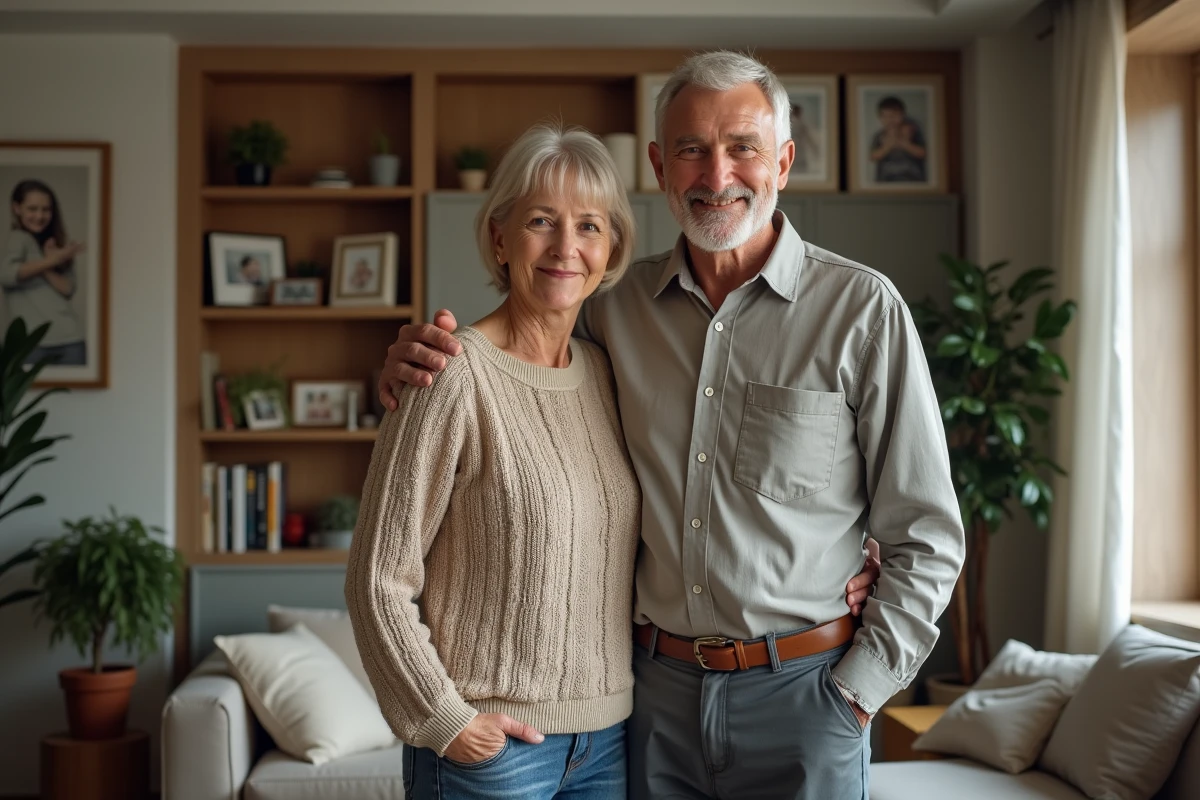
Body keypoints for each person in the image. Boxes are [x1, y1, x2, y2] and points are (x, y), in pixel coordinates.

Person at [379, 50, 963, 800]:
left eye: (742, 148)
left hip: (806, 697)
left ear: (783, 161)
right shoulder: (608, 311)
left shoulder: (862, 313)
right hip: (651, 704)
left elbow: (927, 532)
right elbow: (510, 368)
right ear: (659, 166)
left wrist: (857, 693)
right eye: (691, 149)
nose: (716, 176)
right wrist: (409, 366)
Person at [2, 180, 86, 366]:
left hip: (71, 339)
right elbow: (7, 275)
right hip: (30, 344)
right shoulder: (18, 238)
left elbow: (68, 289)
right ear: (17, 208)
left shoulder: (56, 244)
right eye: (32, 209)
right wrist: (50, 261)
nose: (39, 216)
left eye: (46, 209)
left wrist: (48, 264)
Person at [869, 96, 928, 183]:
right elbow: (873, 156)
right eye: (885, 116)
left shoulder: (913, 131)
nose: (890, 120)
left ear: (902, 115)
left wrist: (904, 143)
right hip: (886, 180)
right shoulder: (879, 135)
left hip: (913, 179)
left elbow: (923, 153)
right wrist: (888, 145)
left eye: (893, 115)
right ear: (880, 118)